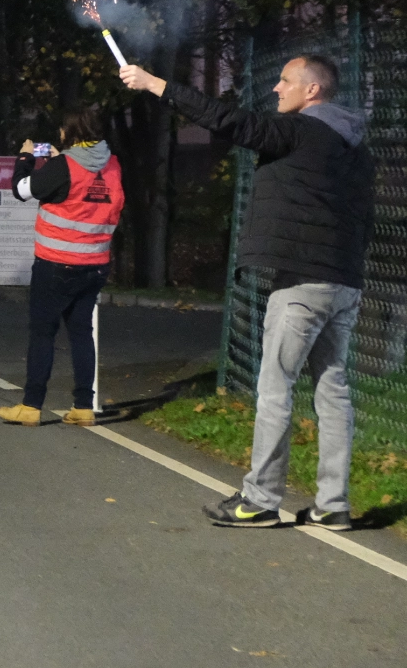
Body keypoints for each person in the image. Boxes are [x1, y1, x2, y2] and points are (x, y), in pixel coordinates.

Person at [123, 55, 373, 531]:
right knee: (333, 392)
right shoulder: (356, 149)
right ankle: (333, 504)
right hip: (343, 282)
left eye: (285, 80)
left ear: (312, 90)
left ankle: (260, 500)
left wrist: (156, 84)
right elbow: (366, 218)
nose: (276, 88)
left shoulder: (300, 131)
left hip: (300, 284)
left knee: (276, 388)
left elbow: (230, 121)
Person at [0, 108, 121, 429]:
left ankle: (31, 405)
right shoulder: (112, 164)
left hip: (56, 264)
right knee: (81, 333)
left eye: (63, 130)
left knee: (43, 333)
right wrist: (56, 160)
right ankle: (83, 407)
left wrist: (25, 158)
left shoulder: (64, 166)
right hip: (95, 265)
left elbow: (22, 190)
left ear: (72, 132)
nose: (60, 134)